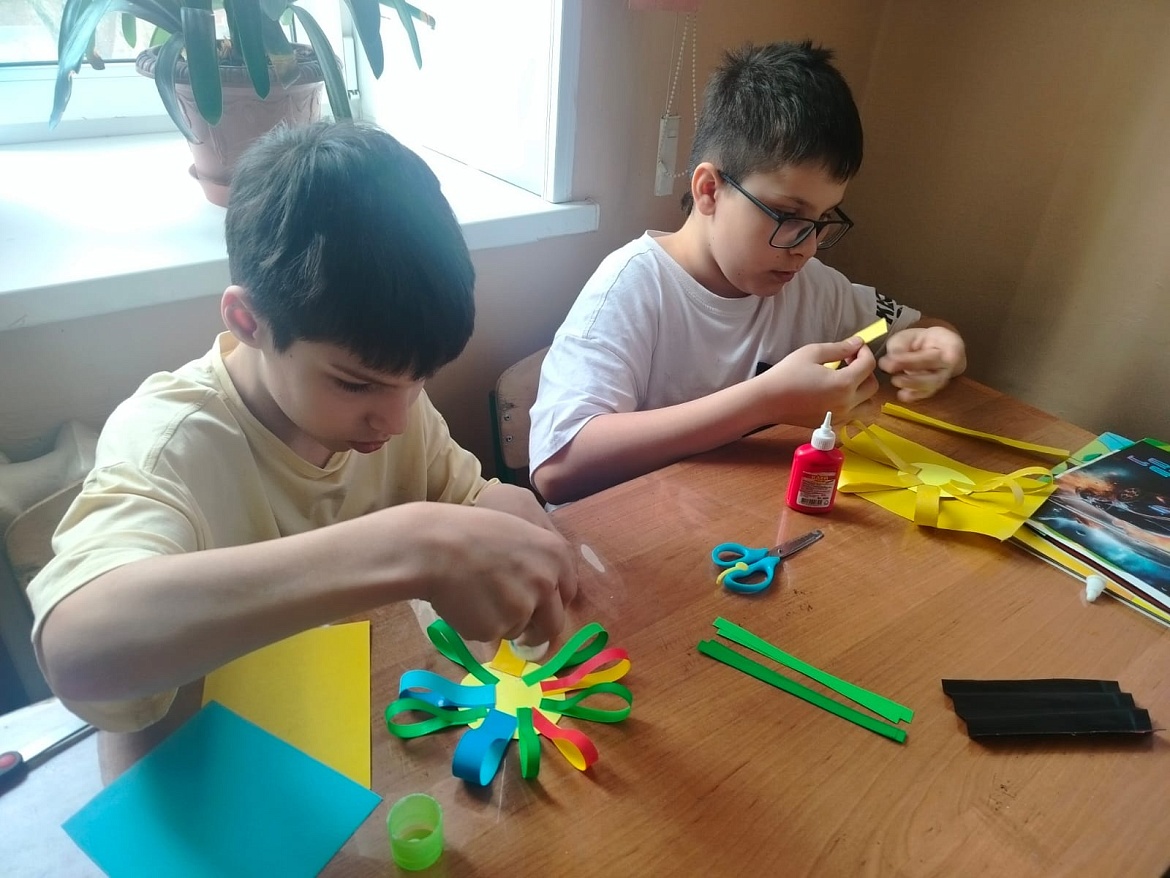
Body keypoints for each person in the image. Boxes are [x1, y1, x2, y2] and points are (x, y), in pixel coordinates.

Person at [26, 122, 577, 733]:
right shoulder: (167, 445)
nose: (396, 420)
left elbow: (463, 497)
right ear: (248, 322)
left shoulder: (394, 405)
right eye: (354, 384)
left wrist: (497, 507)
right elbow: (77, 648)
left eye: (419, 380)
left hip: (361, 719)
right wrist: (412, 544)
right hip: (226, 747)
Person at [529, 40, 967, 505]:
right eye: (788, 215)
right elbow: (558, 469)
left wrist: (937, 345)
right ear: (709, 190)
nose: (807, 247)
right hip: (625, 534)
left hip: (732, 518)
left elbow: (905, 328)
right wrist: (764, 401)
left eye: (823, 218)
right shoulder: (634, 288)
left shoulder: (812, 287)